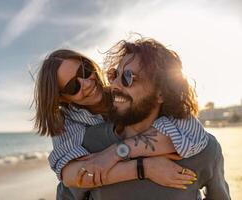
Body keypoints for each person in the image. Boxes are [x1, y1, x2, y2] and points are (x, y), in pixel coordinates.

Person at [67, 37, 231, 199]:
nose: (115, 84)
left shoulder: (204, 149)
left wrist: (115, 154)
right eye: (114, 75)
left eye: (128, 77)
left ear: (161, 93)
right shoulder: (89, 145)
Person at [33, 48, 209, 199]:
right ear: (61, 98)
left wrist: (114, 153)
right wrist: (145, 168)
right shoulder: (66, 122)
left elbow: (191, 132)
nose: (87, 83)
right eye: (73, 86)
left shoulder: (127, 92)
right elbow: (71, 175)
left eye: (85, 71)